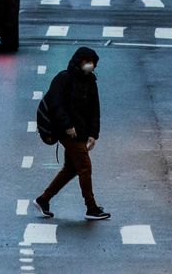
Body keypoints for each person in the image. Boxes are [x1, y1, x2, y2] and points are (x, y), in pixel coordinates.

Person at [34, 47, 110, 221]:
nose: (90, 65)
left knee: (71, 169)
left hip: (82, 133)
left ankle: (43, 199)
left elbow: (94, 110)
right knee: (84, 167)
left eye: (92, 62)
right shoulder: (64, 79)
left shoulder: (91, 81)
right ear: (78, 61)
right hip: (67, 132)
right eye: (86, 61)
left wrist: (93, 134)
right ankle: (91, 207)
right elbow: (56, 104)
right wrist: (67, 125)